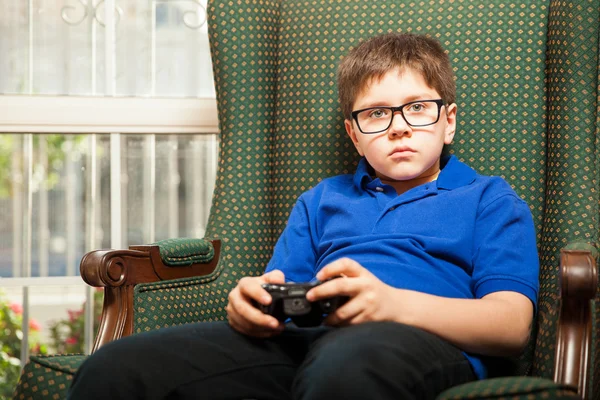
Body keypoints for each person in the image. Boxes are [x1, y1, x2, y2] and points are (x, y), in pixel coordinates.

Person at [68, 32, 539, 400]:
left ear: (448, 120)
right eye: (376, 114)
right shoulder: (320, 200)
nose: (398, 127)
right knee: (115, 369)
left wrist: (391, 304)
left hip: (415, 345)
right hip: (306, 341)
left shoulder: (490, 200)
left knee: (348, 366)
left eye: (417, 108)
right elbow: (283, 292)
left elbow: (511, 325)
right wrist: (251, 306)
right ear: (354, 136)